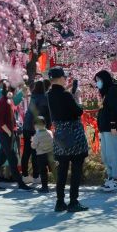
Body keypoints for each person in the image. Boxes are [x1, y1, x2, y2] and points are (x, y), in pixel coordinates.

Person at [47, 67, 89, 212]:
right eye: (64, 77)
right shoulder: (66, 95)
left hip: (59, 136)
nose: (66, 79)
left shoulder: (49, 95)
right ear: (59, 78)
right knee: (76, 169)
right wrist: (77, 97)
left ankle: (59, 202)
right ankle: (73, 201)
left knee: (62, 169)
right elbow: (78, 111)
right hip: (73, 135)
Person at [0, 82, 32, 191]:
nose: (13, 94)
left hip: (8, 134)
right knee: (12, 159)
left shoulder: (7, 101)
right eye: (12, 92)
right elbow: (1, 121)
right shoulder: (2, 102)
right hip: (5, 135)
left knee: (0, 160)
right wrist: (9, 132)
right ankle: (20, 184)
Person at [95, 70, 117, 192]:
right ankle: (110, 177)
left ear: (104, 79)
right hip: (104, 127)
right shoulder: (105, 93)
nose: (97, 83)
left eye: (98, 80)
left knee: (112, 153)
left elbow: (114, 110)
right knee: (105, 154)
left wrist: (113, 125)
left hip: (111, 127)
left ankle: (116, 179)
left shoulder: (113, 90)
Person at [22, 80, 51, 184]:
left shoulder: (33, 96)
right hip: (35, 128)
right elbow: (46, 114)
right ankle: (35, 176)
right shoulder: (43, 98)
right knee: (35, 152)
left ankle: (24, 175)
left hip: (26, 127)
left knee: (26, 151)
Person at [31, 116, 56, 193]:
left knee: (43, 172)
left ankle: (45, 187)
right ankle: (60, 184)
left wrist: (32, 141)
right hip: (50, 154)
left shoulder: (36, 136)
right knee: (54, 170)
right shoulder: (49, 132)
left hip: (41, 155)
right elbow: (53, 142)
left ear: (36, 126)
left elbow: (34, 146)